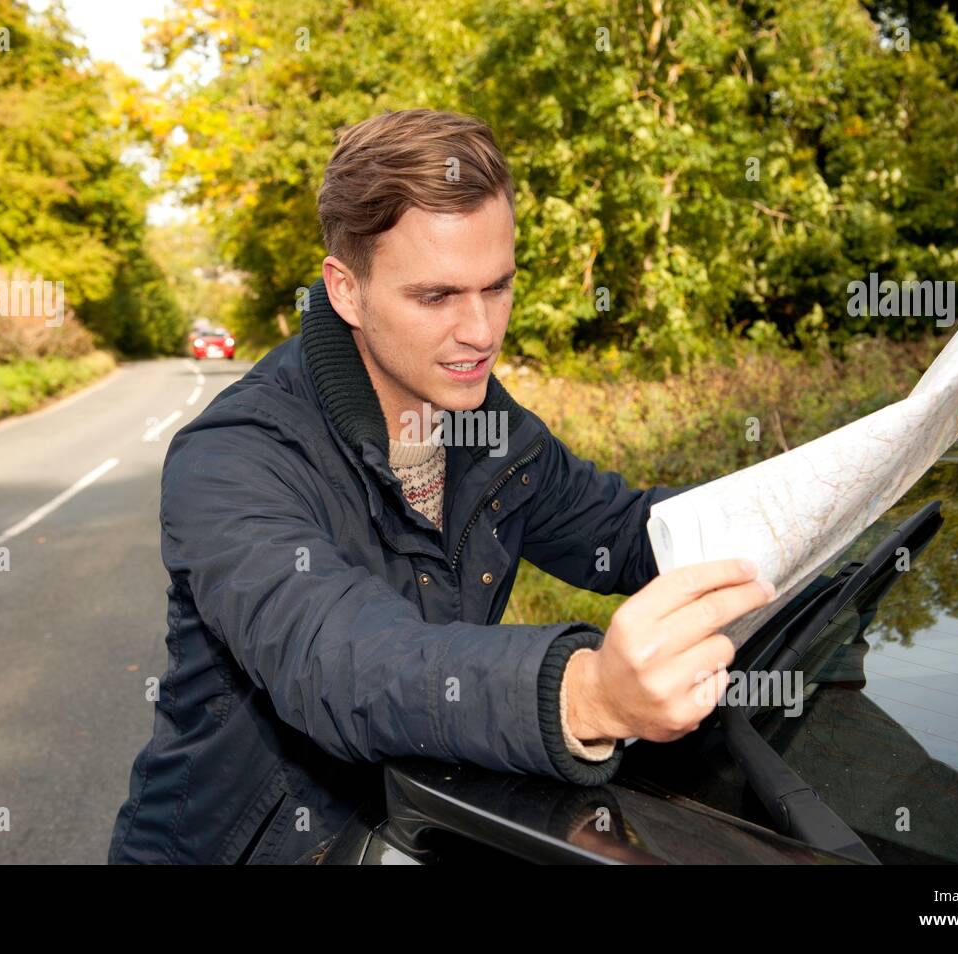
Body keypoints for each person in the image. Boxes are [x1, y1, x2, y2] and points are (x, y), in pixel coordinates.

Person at [107, 108, 776, 864]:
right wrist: (585, 695)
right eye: (437, 297)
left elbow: (629, 533)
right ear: (347, 291)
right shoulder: (235, 459)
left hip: (407, 835)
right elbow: (341, 662)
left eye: (498, 287)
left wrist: (822, 501)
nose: (482, 331)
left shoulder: (489, 430)